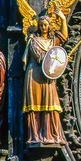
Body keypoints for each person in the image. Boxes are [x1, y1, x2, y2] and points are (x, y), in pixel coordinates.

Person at [23, 11, 68, 145]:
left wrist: (63, 19)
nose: (43, 27)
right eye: (41, 25)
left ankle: (51, 134)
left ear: (49, 26)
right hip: (35, 73)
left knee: (51, 104)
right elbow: (40, 58)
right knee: (35, 106)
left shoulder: (53, 41)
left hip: (48, 75)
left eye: (46, 25)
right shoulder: (34, 41)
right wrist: (57, 59)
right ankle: (35, 135)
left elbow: (64, 37)